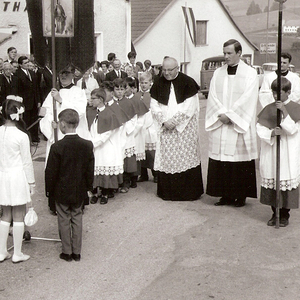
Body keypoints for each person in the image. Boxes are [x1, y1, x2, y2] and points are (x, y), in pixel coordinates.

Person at [205, 39, 258, 207]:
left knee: (238, 162)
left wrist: (232, 116)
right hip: (221, 122)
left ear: (239, 53)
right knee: (223, 161)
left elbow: (249, 98)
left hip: (237, 124)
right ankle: (225, 195)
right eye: (224, 53)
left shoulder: (250, 73)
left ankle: (240, 195)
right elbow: (212, 95)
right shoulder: (218, 73)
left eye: (229, 53)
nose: (226, 56)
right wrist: (221, 114)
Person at [150, 56, 203, 201]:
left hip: (184, 129)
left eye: (169, 70)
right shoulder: (158, 83)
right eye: (164, 70)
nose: (166, 73)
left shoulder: (187, 82)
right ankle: (168, 193)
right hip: (166, 128)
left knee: (186, 157)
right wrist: (163, 121)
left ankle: (188, 193)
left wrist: (174, 121)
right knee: (168, 159)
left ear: (177, 69)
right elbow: (154, 105)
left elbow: (190, 107)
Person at [40, 65, 90, 214]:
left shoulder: (78, 92)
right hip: (56, 136)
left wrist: (61, 100)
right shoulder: (52, 93)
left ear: (73, 75)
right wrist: (51, 126)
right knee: (56, 169)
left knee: (73, 169)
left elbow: (79, 113)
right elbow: (44, 113)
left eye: (66, 73)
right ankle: (55, 204)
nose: (63, 76)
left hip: (72, 136)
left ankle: (77, 203)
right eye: (61, 73)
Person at [45, 109, 94, 262]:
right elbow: (89, 169)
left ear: (63, 124)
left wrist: (49, 190)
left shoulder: (57, 147)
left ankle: (66, 251)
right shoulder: (87, 145)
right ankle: (77, 252)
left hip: (62, 190)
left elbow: (51, 172)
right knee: (77, 217)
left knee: (63, 219)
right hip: (79, 189)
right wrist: (88, 187)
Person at [257, 77, 300, 227]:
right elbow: (259, 127)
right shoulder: (268, 107)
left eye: (279, 92)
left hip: (288, 149)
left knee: (285, 179)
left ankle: (284, 215)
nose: (275, 96)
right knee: (272, 179)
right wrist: (270, 133)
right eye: (273, 92)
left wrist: (284, 111)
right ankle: (274, 213)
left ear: (288, 92)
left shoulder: (295, 107)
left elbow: (293, 130)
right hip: (272, 149)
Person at [0, 96, 35, 263]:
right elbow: (27, 161)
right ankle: (17, 253)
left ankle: (2, 251)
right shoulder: (21, 136)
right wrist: (31, 182)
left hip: (2, 175)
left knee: (5, 214)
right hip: (17, 177)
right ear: (19, 114)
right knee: (19, 214)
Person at [88, 88, 123, 204]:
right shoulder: (91, 112)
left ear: (101, 99)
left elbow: (107, 134)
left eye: (93, 98)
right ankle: (94, 193)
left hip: (104, 146)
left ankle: (105, 193)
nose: (90, 100)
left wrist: (94, 143)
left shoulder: (109, 113)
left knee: (104, 168)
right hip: (93, 144)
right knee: (94, 169)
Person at [136, 72, 158, 182]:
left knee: (151, 152)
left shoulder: (153, 95)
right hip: (140, 126)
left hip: (150, 125)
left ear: (150, 83)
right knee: (141, 150)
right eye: (142, 83)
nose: (143, 85)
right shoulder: (137, 95)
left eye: (146, 83)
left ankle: (156, 174)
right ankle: (143, 174)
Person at [16, 56, 41, 143]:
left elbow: (36, 88)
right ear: (20, 64)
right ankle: (27, 138)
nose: (27, 64)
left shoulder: (32, 73)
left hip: (34, 101)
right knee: (26, 120)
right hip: (25, 102)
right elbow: (17, 90)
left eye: (28, 62)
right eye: (25, 63)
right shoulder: (18, 74)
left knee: (35, 120)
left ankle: (35, 137)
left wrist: (38, 100)